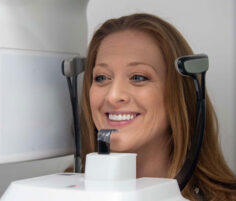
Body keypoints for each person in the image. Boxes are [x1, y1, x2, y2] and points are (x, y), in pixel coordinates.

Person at [79, 13, 236, 200]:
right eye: (102, 78)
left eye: (138, 77)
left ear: (179, 93)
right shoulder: (55, 191)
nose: (113, 96)